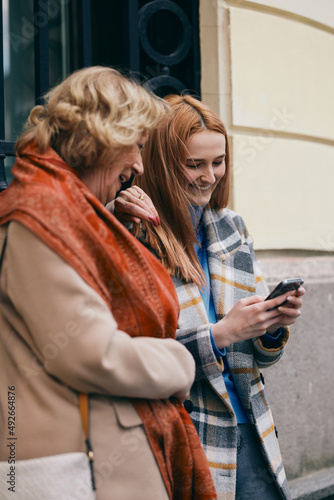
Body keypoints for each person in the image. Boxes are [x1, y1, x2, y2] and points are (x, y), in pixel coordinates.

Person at [0, 70, 217, 500]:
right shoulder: (38, 215)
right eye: (136, 147)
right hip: (73, 467)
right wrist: (180, 362)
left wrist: (114, 229)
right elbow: (89, 353)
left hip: (89, 458)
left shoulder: (62, 209)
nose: (139, 165)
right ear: (105, 138)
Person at [111, 94, 305, 500]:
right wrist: (221, 334)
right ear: (163, 162)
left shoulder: (231, 226)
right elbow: (134, 356)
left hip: (251, 428)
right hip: (186, 433)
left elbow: (259, 355)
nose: (210, 176)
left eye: (218, 162)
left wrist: (270, 326)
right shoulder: (135, 231)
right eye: (194, 164)